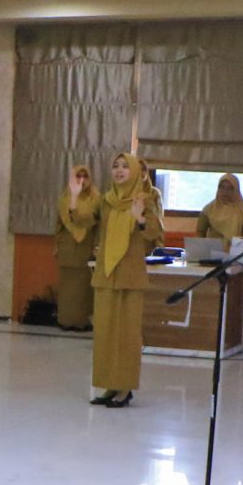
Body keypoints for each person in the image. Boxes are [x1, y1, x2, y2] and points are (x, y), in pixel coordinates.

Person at [88, 152, 164, 408]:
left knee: (127, 336)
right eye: (115, 166)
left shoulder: (145, 199)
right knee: (105, 334)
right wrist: (75, 197)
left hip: (130, 277)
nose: (119, 170)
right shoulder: (106, 200)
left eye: (125, 166)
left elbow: (155, 233)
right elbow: (86, 222)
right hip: (106, 275)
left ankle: (125, 388)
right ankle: (109, 385)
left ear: (135, 172)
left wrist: (140, 218)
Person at [53, 164, 98, 332]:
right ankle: (66, 320)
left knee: (84, 287)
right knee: (67, 288)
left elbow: (97, 224)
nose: (81, 180)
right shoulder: (65, 197)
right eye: (78, 176)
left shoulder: (95, 197)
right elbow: (59, 224)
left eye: (85, 176)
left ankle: (83, 322)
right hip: (67, 246)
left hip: (87, 246)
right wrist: (56, 245)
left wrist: (97, 245)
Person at [195, 173, 243, 241]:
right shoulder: (209, 209)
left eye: (230, 188)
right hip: (213, 247)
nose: (225, 192)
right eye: (222, 187)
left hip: (237, 247)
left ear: (236, 190)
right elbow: (200, 233)